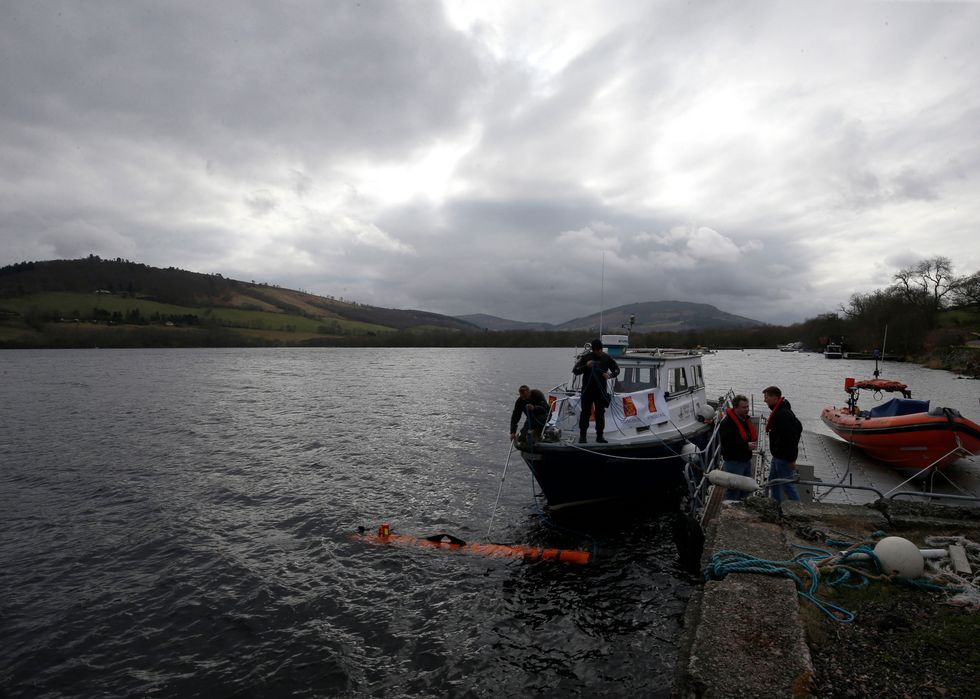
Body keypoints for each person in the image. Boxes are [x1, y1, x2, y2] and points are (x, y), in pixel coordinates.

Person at [572, 338, 620, 443]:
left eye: (601, 350)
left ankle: (600, 436)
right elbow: (575, 371)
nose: (600, 352)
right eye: (597, 350)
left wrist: (610, 375)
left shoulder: (607, 358)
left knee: (600, 413)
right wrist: (586, 366)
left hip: (600, 391)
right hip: (587, 391)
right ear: (593, 350)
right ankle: (583, 436)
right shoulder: (586, 358)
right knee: (585, 413)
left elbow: (617, 370)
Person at [762, 385, 802, 502]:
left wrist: (791, 460)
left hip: (783, 457)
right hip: (778, 455)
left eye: (766, 397)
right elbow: (798, 426)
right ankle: (775, 504)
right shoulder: (782, 411)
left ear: (775, 397)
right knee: (773, 481)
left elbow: (791, 438)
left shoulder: (782, 414)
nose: (764, 400)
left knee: (787, 485)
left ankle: (799, 510)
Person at [719, 394, 757, 500]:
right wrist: (746, 446)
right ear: (735, 408)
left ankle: (742, 509)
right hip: (734, 462)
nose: (747, 410)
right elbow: (727, 445)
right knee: (733, 490)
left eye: (747, 407)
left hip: (746, 460)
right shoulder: (727, 423)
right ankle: (729, 512)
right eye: (744, 407)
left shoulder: (744, 420)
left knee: (746, 488)